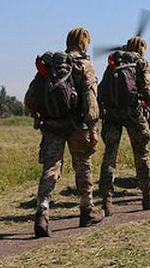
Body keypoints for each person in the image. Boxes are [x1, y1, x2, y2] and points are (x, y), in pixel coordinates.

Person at [25, 27, 102, 238]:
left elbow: (30, 98)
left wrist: (38, 117)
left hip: (51, 126)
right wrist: (93, 129)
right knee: (83, 164)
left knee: (51, 168)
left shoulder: (51, 66)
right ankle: (87, 210)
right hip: (77, 126)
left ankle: (42, 211)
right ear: (85, 42)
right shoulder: (85, 65)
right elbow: (91, 100)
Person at [97, 35, 150, 216]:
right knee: (141, 153)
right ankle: (147, 196)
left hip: (111, 114)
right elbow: (148, 92)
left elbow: (102, 89)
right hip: (133, 114)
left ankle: (106, 202)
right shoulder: (141, 63)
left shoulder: (113, 63)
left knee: (110, 155)